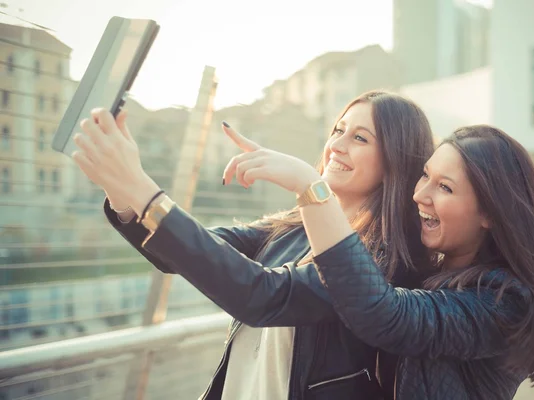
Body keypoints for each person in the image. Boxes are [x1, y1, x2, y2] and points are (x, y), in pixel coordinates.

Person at [71, 90, 435, 399]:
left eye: (360, 138)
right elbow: (191, 252)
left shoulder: (382, 263)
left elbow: (262, 295)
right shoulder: (292, 228)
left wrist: (141, 188)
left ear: (395, 160)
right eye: (338, 130)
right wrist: (122, 192)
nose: (336, 146)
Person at [227, 124, 534, 399]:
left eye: (445, 188)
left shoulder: (505, 304)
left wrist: (312, 189)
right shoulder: (426, 272)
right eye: (425, 176)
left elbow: (386, 314)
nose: (420, 195)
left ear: (490, 214)